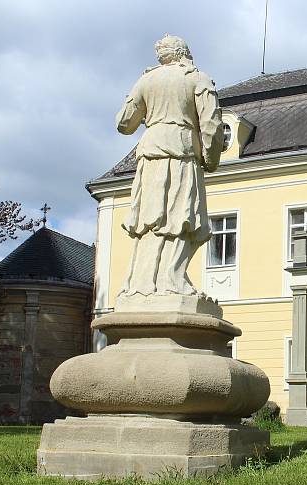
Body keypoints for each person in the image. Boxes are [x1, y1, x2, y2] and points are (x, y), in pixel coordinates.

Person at [115, 35, 224, 297]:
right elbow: (211, 125)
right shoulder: (197, 78)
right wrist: (210, 159)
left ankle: (142, 283)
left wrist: (150, 110)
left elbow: (124, 123)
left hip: (150, 152)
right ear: (185, 52)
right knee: (182, 215)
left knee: (150, 218)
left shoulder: (146, 80)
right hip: (183, 152)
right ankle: (171, 280)